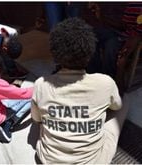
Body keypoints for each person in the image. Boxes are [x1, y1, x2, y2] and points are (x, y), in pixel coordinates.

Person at [31, 18, 125, 164]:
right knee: (124, 105)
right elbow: (116, 107)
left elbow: (37, 120)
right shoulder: (106, 82)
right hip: (93, 161)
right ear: (89, 54)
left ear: (55, 54)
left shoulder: (40, 84)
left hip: (48, 159)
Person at [87, 2, 142, 83]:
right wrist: (100, 16)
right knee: (91, 36)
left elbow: (136, 34)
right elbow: (124, 25)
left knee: (111, 44)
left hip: (132, 37)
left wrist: (126, 52)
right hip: (121, 32)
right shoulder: (131, 5)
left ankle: (108, 79)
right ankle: (94, 74)